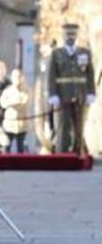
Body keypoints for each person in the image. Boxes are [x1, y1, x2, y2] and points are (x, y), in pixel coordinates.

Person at [48, 23, 96, 153]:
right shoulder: (56, 53)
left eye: (73, 34)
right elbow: (51, 75)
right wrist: (53, 94)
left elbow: (90, 73)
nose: (70, 37)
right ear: (63, 36)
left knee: (79, 126)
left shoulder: (85, 53)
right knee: (63, 126)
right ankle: (62, 154)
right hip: (62, 95)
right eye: (68, 34)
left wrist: (91, 92)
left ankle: (78, 154)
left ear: (76, 35)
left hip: (81, 94)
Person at [0, 69, 29, 153]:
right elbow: (3, 103)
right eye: (15, 76)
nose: (17, 78)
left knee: (21, 149)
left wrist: (11, 103)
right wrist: (14, 102)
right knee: (6, 148)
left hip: (21, 125)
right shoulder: (8, 90)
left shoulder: (26, 90)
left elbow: (23, 103)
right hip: (9, 124)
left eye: (19, 76)